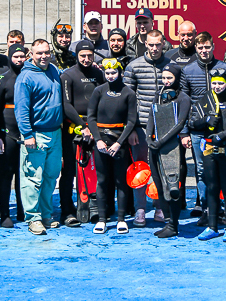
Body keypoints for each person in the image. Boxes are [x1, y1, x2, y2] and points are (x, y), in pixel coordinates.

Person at [180, 32, 226, 220]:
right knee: (202, 170)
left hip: (222, 130)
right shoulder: (188, 70)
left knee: (222, 169)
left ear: (213, 47)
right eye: (200, 47)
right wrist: (184, 132)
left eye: (207, 47)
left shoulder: (224, 68)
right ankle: (207, 209)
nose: (204, 50)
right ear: (196, 48)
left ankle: (221, 209)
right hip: (198, 130)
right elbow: (184, 103)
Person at [16, 39, 66, 234]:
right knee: (32, 177)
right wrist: (27, 134)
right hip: (36, 134)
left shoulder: (53, 70)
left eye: (46, 52)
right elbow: (21, 108)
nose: (44, 56)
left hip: (55, 133)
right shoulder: (25, 78)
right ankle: (33, 217)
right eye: (39, 53)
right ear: (31, 54)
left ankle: (46, 214)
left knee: (50, 176)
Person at [121, 30, 170, 227]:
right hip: (140, 127)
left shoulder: (171, 66)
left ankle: (159, 207)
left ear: (163, 44)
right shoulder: (134, 66)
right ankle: (140, 209)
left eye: (158, 44)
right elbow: (127, 100)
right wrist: (131, 128)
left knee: (161, 168)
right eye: (151, 44)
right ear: (146, 44)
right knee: (139, 168)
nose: (154, 48)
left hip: (164, 127)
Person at [190, 72, 226, 241]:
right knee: (212, 189)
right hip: (209, 151)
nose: (217, 87)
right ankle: (212, 226)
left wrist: (222, 135)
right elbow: (192, 123)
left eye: (221, 83)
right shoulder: (205, 100)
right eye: (214, 83)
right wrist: (206, 120)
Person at [86, 58, 137, 234]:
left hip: (119, 142)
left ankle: (121, 219)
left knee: (121, 181)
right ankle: (102, 220)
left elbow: (131, 121)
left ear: (120, 73)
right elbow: (91, 117)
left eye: (113, 72)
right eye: (107, 73)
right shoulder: (99, 91)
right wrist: (98, 139)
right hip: (101, 141)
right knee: (102, 180)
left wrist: (119, 143)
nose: (110, 76)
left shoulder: (128, 93)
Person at [59, 40, 105, 225]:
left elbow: (104, 99)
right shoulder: (68, 75)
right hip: (74, 129)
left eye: (89, 56)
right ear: (76, 56)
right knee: (69, 170)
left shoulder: (99, 74)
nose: (86, 59)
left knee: (95, 170)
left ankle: (95, 207)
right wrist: (82, 125)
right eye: (82, 56)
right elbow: (66, 104)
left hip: (95, 128)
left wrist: (94, 126)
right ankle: (67, 211)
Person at [148, 66, 191, 239]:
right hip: (155, 146)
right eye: (164, 78)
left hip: (172, 147)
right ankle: (168, 221)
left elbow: (180, 124)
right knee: (160, 186)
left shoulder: (183, 98)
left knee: (172, 186)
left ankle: (174, 224)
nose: (166, 82)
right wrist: (149, 138)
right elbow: (151, 115)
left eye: (170, 78)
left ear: (177, 78)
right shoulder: (159, 94)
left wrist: (161, 141)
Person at [0, 44, 29, 227]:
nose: (19, 60)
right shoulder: (3, 79)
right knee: (6, 173)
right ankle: (5, 212)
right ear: (10, 57)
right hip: (8, 133)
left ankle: (23, 209)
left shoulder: (29, 77)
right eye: (16, 57)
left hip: (26, 134)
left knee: (24, 174)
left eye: (22, 56)